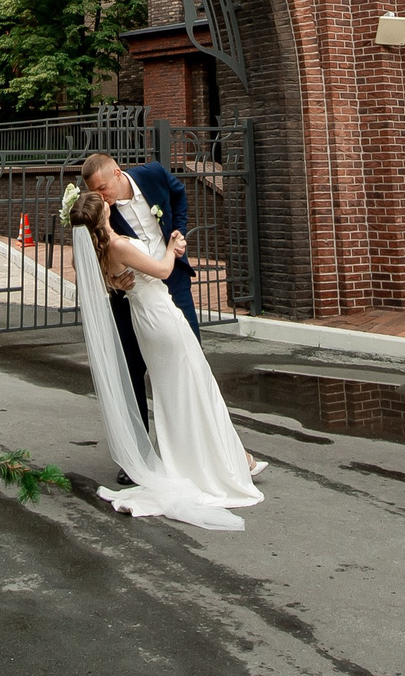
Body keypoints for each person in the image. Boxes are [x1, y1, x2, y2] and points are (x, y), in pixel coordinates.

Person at [67, 189, 263, 527]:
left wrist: (116, 280)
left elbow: (115, 280)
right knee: (197, 388)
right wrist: (172, 248)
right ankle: (219, 465)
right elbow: (160, 271)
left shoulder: (102, 253)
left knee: (179, 394)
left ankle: (227, 459)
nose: (109, 203)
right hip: (161, 319)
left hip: (148, 321)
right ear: (102, 217)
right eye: (105, 205)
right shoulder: (119, 245)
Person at [80, 150, 197, 428]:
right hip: (131, 298)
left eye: (102, 188)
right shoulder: (100, 214)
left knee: (191, 360)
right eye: (93, 191)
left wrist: (178, 232)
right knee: (132, 370)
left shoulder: (153, 174)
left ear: (117, 173)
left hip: (174, 283)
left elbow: (179, 193)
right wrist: (110, 280)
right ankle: (139, 455)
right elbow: (86, 256)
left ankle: (188, 444)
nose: (99, 196)